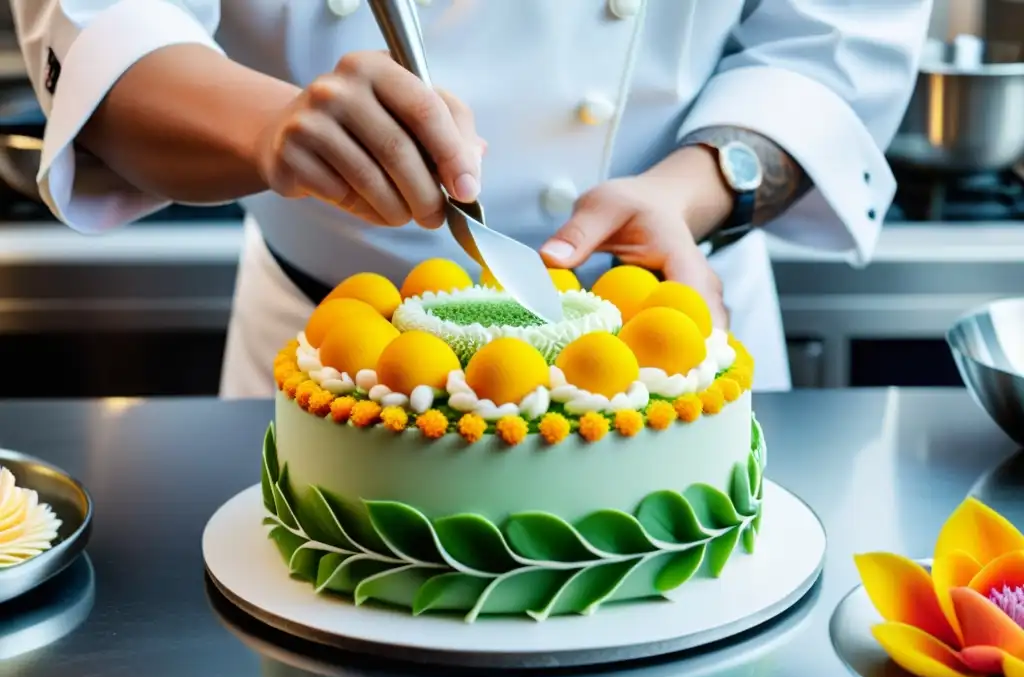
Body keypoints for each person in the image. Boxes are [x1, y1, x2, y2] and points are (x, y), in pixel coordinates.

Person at [10, 0, 931, 396]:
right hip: (319, 354)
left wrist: (697, 187)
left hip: (673, 341)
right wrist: (269, 125)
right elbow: (101, 30)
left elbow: (834, 43)